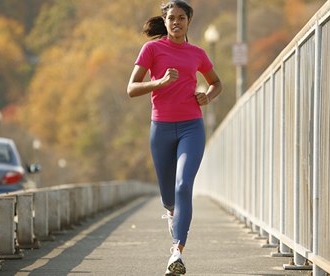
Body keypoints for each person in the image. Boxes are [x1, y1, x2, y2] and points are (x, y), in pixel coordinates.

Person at [127, 0, 222, 274]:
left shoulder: (198, 53)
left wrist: (208, 96)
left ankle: (176, 253)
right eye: (172, 18)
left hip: (192, 126)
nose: (177, 22)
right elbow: (131, 88)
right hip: (162, 129)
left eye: (182, 18)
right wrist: (160, 82)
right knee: (170, 197)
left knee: (183, 186)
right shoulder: (152, 49)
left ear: (188, 22)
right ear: (165, 21)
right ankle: (172, 213)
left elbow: (217, 82)